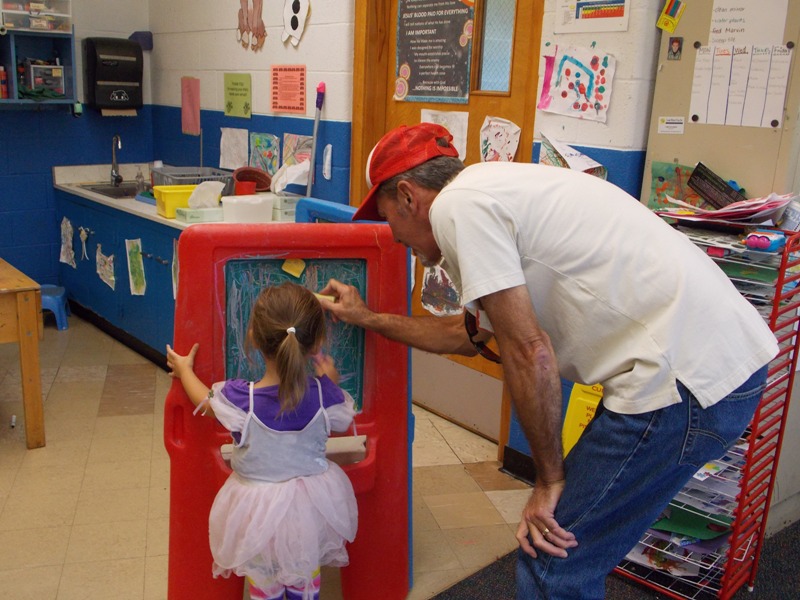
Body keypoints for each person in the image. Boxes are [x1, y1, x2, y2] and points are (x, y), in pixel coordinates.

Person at [317, 123, 778, 599]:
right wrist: (367, 317)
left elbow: (528, 351)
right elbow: (467, 335)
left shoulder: (459, 207)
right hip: (717, 370)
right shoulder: (496, 188)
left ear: (408, 196)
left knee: (553, 557)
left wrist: (548, 479)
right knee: (571, 550)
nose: (393, 235)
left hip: (681, 384)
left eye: (387, 216)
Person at [166, 281, 358, 600]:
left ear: (254, 336)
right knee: (304, 576)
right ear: (316, 343)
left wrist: (185, 370)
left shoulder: (241, 400)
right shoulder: (326, 395)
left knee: (264, 582)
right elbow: (344, 418)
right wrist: (331, 381)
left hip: (256, 516)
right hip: (307, 512)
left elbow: (205, 401)